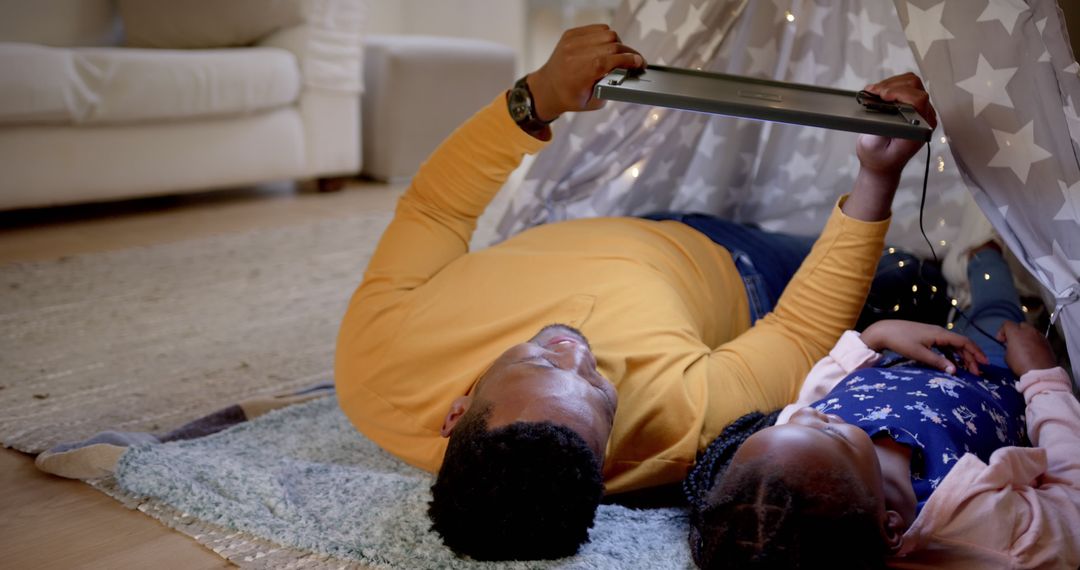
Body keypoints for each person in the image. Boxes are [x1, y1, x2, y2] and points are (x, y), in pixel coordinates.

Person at [334, 24, 937, 560]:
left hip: (629, 218)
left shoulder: (374, 361)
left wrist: (535, 96)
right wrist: (877, 176)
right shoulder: (674, 430)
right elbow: (798, 331)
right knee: (917, 278)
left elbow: (436, 210)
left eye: (541, 359)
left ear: (458, 411)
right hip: (738, 268)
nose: (576, 348)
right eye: (598, 385)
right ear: (606, 454)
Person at [685, 242, 1079, 569]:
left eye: (783, 424)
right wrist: (1042, 377)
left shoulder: (803, 459)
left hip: (902, 357)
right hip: (989, 370)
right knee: (996, 311)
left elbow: (816, 396)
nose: (801, 412)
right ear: (890, 527)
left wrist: (873, 339)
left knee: (915, 290)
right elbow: (1072, 508)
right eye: (829, 430)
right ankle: (983, 253)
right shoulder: (971, 520)